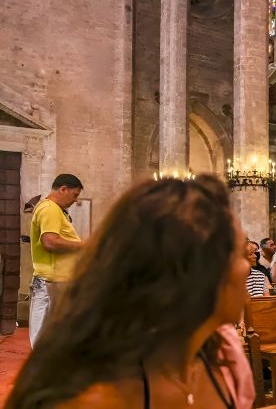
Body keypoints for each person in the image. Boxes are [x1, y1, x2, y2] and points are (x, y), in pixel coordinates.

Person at [7, 175, 255, 408]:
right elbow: (49, 241)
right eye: (236, 252)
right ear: (190, 271)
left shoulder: (222, 347)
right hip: (52, 280)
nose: (248, 264)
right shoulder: (93, 398)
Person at [29, 173, 85, 346]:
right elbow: (50, 242)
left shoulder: (55, 210)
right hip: (50, 284)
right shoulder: (50, 208)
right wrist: (86, 245)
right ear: (63, 189)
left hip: (56, 283)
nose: (76, 200)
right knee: (44, 340)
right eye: (75, 195)